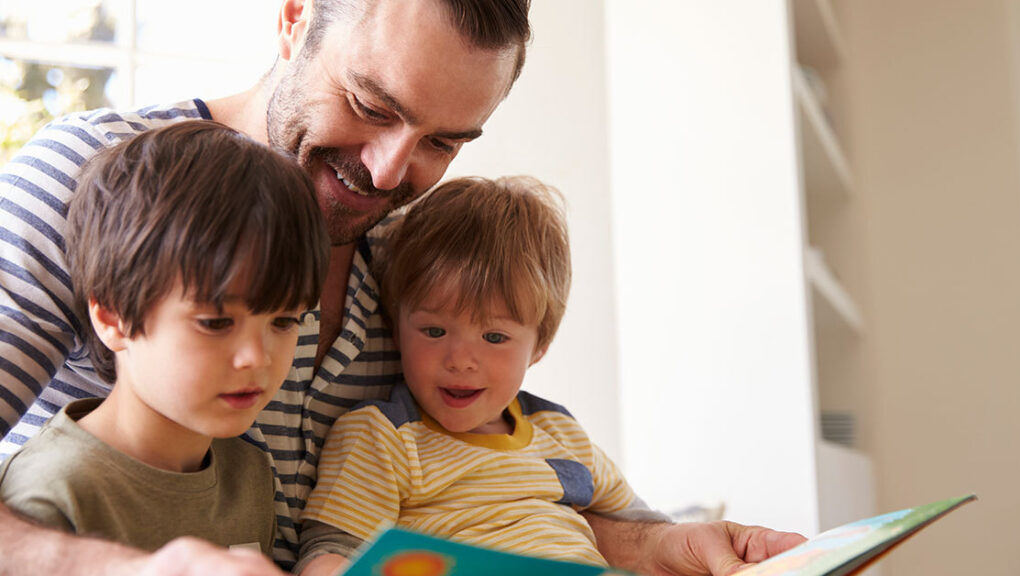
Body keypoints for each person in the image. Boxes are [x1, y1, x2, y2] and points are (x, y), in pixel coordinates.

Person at [0, 1, 805, 575]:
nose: (387, 172)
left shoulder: (415, 254)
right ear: (292, 20)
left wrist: (657, 547)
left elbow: (478, 489)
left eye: (443, 141)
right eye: (370, 104)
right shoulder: (90, 178)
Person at [0, 120, 328, 562]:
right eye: (215, 323)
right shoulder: (50, 491)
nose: (257, 357)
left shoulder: (249, 472)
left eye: (285, 321)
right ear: (112, 317)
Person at [295, 176, 636, 575]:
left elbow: (642, 526)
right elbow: (331, 550)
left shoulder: (560, 431)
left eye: (494, 337)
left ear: (540, 346)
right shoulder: (383, 437)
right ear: (395, 329)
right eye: (434, 332)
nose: (461, 360)